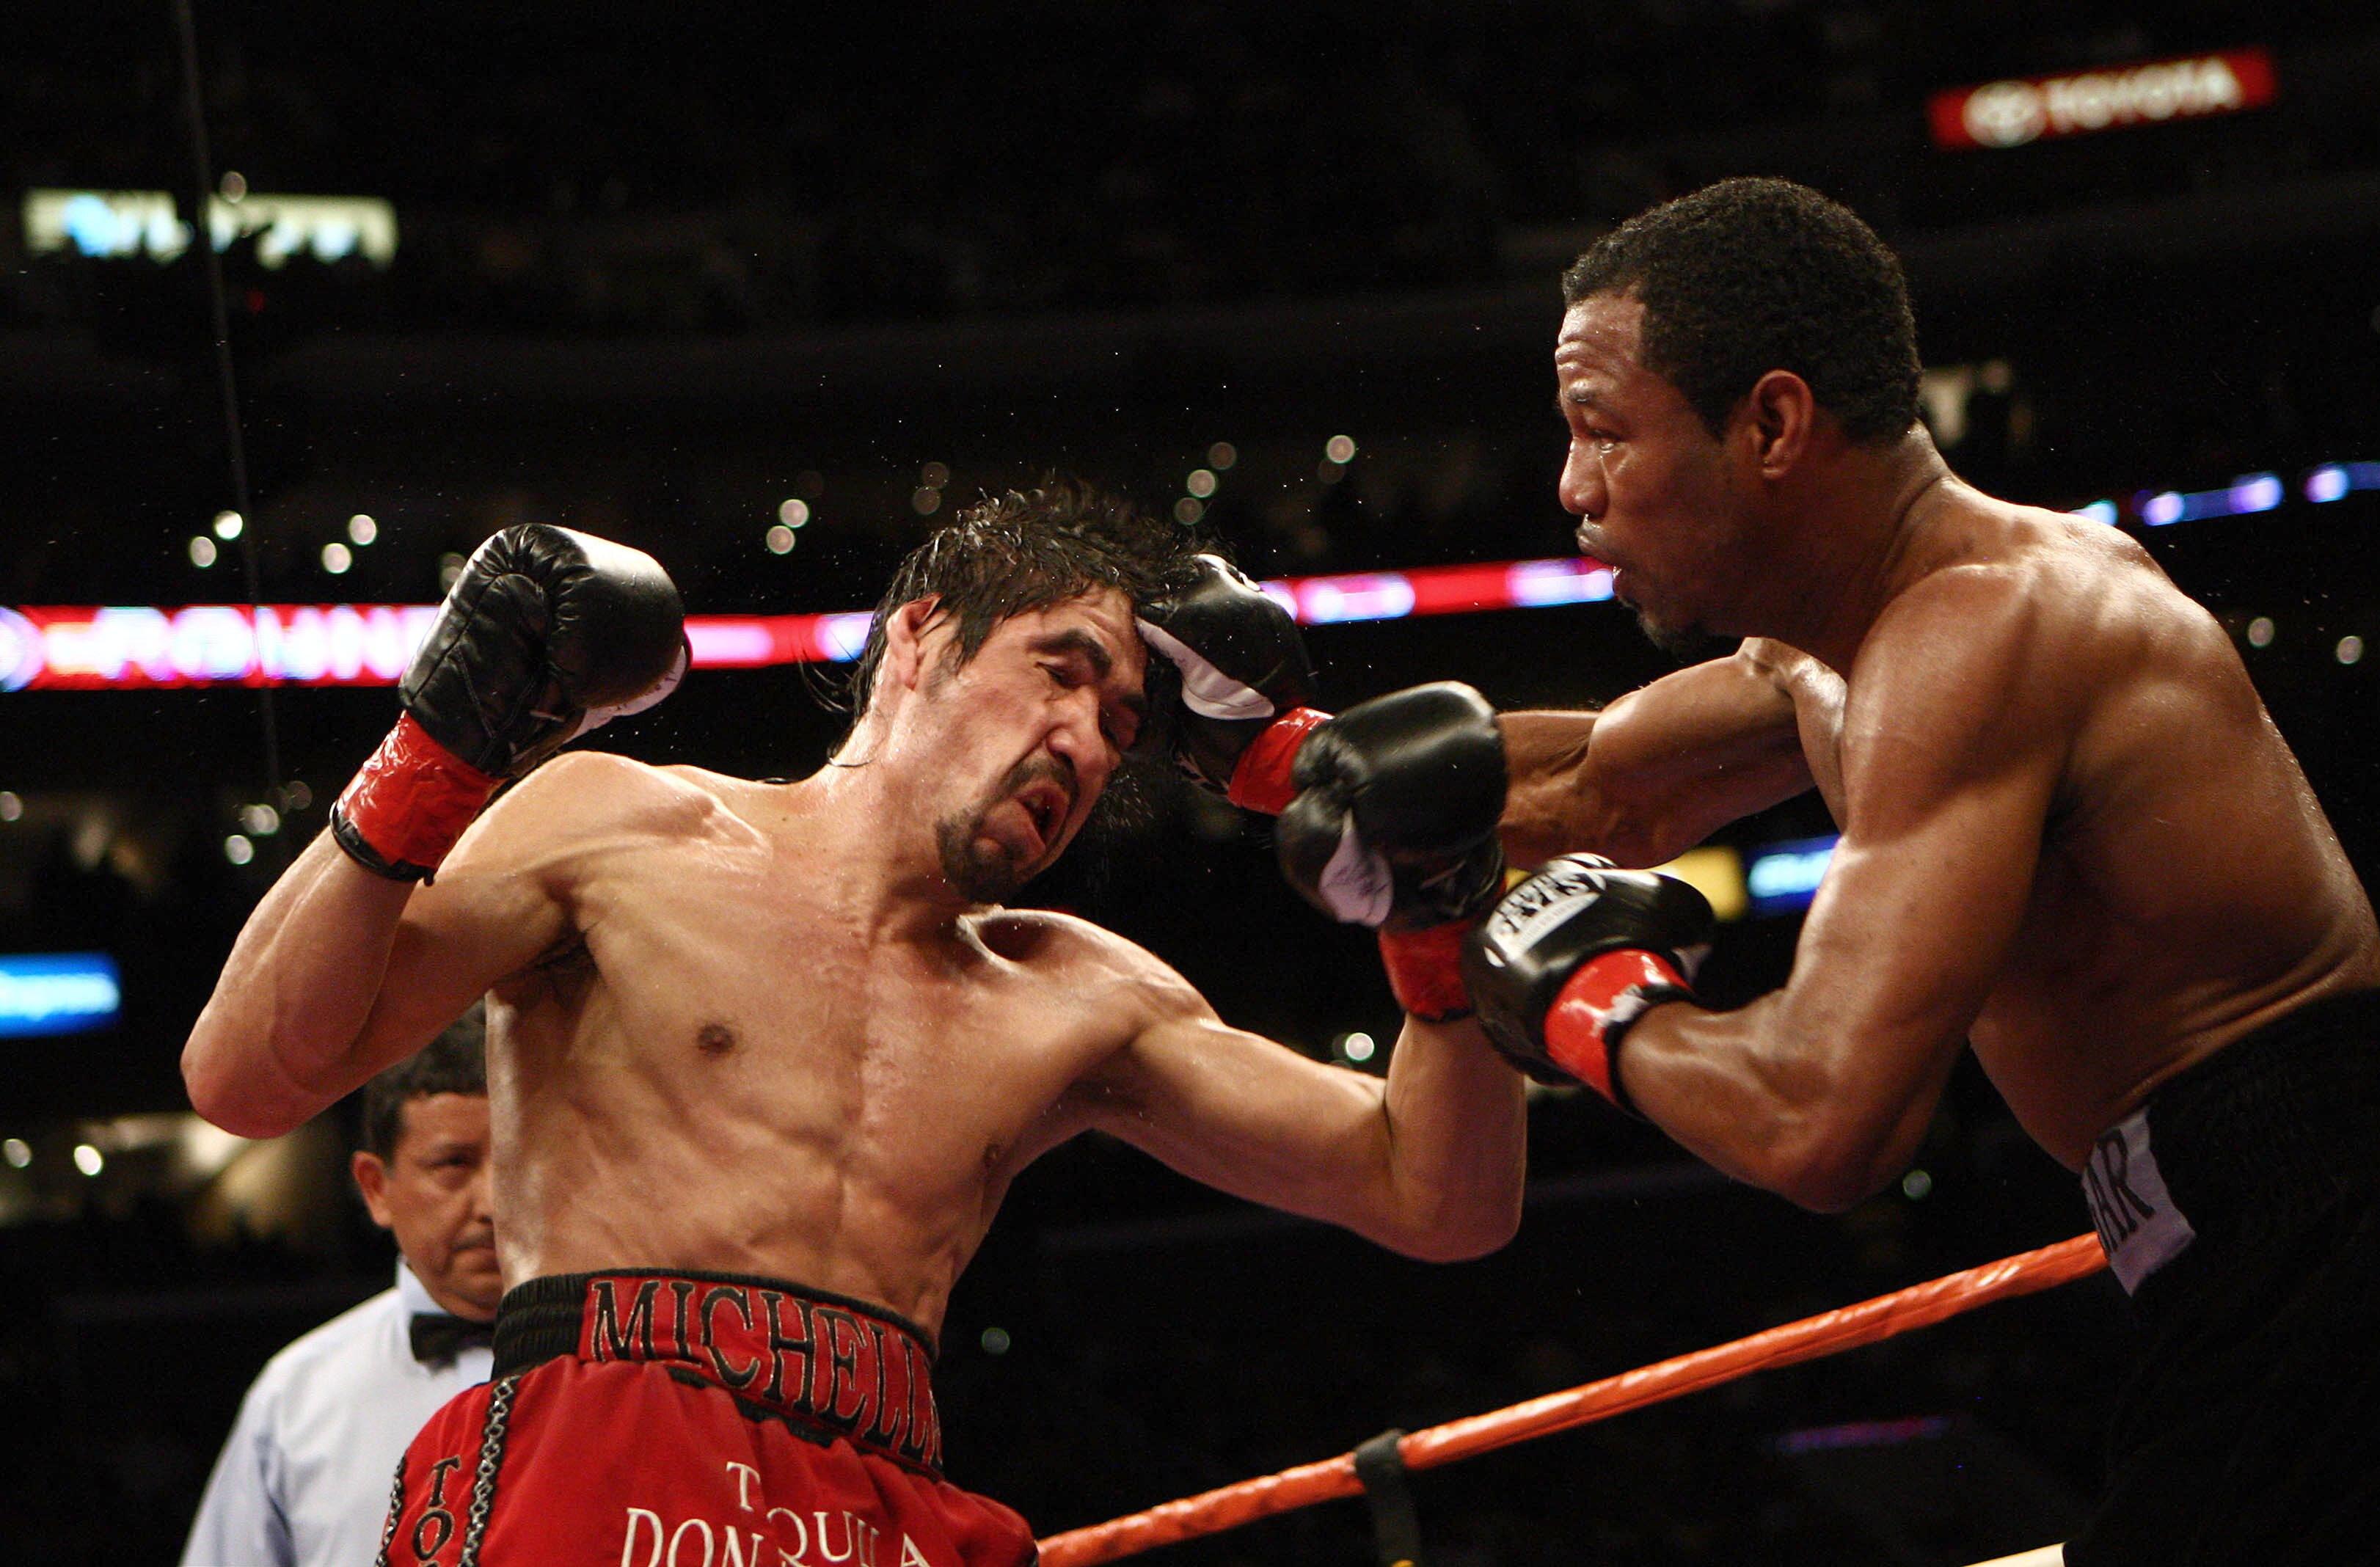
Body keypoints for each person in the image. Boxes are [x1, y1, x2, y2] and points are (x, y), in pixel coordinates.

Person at [1441, 177, 2380, 1562]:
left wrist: (1589, 1005)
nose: (1572, 486)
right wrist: (1273, 757)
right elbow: (1582, 790)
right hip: (2306, 1286)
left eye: (1603, 430)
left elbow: (1820, 1121)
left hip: (2375, 1291)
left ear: (1771, 425)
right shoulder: (1834, 658)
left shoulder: (1984, 631)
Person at [180, 490, 1526, 1567]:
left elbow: (1439, 1197)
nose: (1085, 740)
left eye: (1121, 723)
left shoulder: (1077, 996)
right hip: (600, 1467)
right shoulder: (622, 831)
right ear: (921, 637)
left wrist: (1436, 916)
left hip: (881, 1508)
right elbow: (246, 1074)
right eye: (1058, 673)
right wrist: (439, 747)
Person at [182, 1014, 500, 1567]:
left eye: (519, 1160)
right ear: (376, 1188)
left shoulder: (635, 1361)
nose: (494, 1202)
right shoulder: (298, 1396)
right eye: (453, 1164)